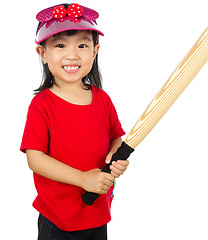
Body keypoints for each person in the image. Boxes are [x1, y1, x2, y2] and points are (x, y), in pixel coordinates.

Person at [20, 3, 129, 239]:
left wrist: (115, 156)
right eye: (60, 45)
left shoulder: (102, 99)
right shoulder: (42, 105)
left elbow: (116, 138)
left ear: (95, 50)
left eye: (82, 45)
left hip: (97, 210)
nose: (72, 54)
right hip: (57, 216)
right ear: (43, 54)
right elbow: (35, 159)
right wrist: (82, 178)